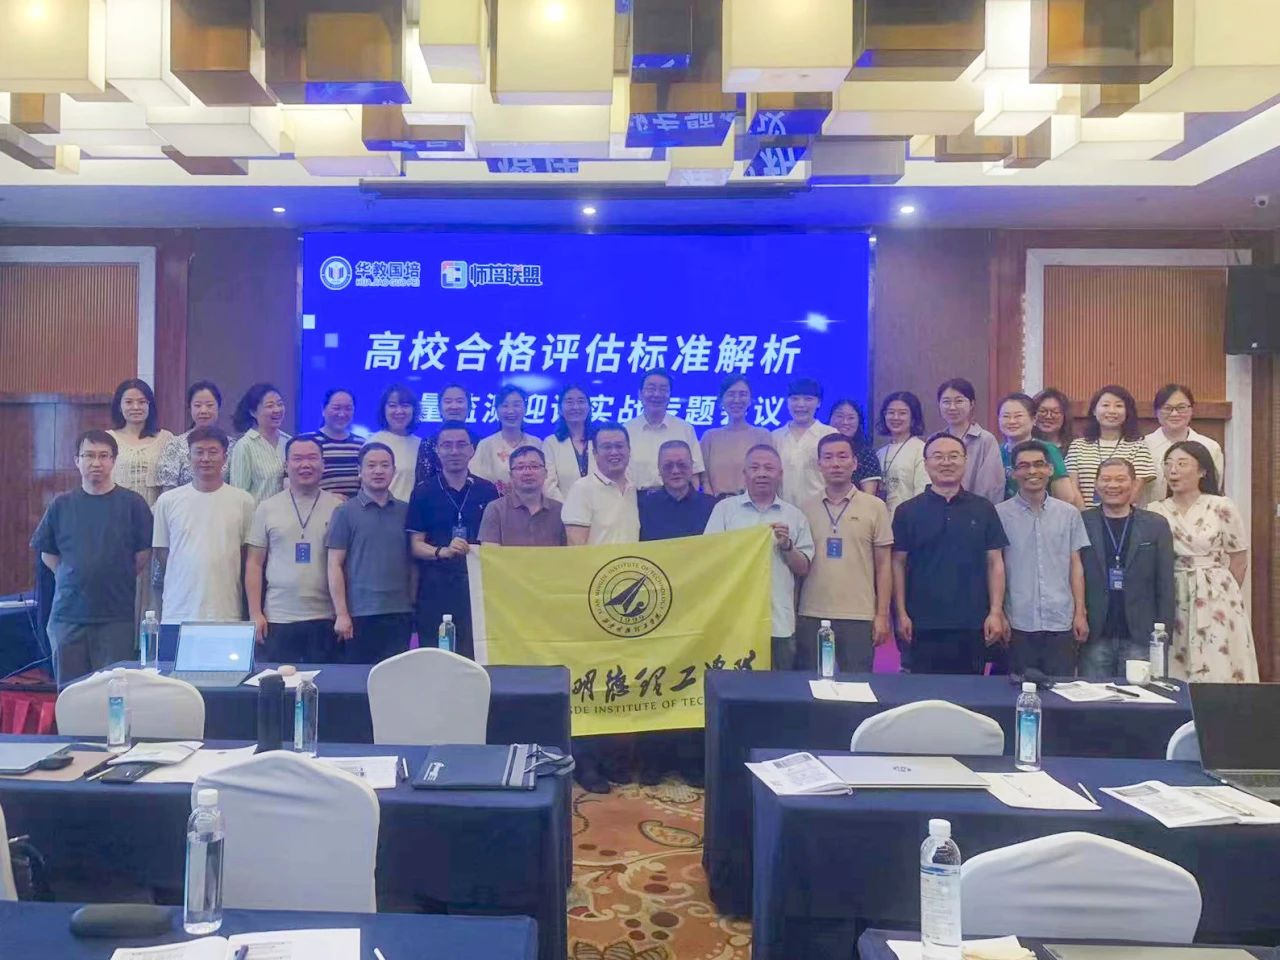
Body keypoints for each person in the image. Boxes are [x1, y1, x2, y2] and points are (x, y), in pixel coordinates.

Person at [31, 429, 152, 685]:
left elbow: (142, 556)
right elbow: (47, 554)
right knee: (70, 695)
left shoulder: (133, 504)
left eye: (103, 456)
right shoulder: (61, 505)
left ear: (114, 460)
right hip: (67, 618)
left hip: (115, 618)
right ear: (77, 460)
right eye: (88, 455)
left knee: (114, 693)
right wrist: (73, 575)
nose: (96, 462)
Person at [892, 433, 1008, 674]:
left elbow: (995, 562)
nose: (946, 462)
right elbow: (898, 564)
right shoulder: (907, 511)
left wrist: (996, 612)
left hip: (972, 623)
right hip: (921, 624)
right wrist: (900, 613)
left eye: (954, 456)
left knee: (970, 691)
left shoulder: (984, 508)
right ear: (926, 464)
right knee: (921, 693)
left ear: (965, 461)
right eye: (938, 456)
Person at [1147, 441, 1257, 683]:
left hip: (1215, 594)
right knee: (1174, 659)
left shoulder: (1221, 506)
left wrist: (1223, 595)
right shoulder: (1155, 510)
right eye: (1168, 464)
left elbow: (1239, 559)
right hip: (1172, 590)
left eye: (1182, 463)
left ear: (1202, 471)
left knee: (1218, 660)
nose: (1173, 470)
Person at [704, 444, 814, 670]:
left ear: (780, 474)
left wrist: (787, 546)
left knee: (779, 687)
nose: (762, 473)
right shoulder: (724, 510)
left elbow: (803, 567)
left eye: (769, 468)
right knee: (735, 687)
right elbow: (709, 558)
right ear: (744, 474)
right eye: (754, 468)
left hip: (778, 621)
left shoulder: (794, 516)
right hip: (733, 621)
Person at [152, 426, 255, 659]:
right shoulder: (168, 501)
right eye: (199, 452)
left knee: (225, 680)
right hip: (178, 612)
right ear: (189, 457)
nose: (205, 458)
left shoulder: (243, 501)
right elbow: (162, 552)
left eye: (213, 452)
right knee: (173, 679)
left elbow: (246, 554)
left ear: (225, 458)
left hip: (226, 613)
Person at [797, 433, 893, 672]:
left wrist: (882, 615)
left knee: (857, 686)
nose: (836, 464)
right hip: (811, 613)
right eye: (828, 457)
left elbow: (884, 565)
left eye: (842, 456)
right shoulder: (804, 507)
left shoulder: (875, 507)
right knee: (811, 685)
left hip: (858, 615)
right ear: (819, 464)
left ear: (855, 463)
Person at [996, 440, 1091, 676]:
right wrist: (998, 613)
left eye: (1039, 464)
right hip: (1018, 621)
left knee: (1061, 690)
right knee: (1019, 690)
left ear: (1050, 469)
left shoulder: (1069, 514)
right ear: (1012, 473)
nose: (1032, 471)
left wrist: (1080, 613)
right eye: (1024, 466)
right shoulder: (999, 514)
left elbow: (1076, 565)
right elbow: (995, 567)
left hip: (1060, 620)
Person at [245, 436, 343, 664]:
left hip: (326, 618)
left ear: (323, 464)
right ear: (286, 465)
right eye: (297, 459)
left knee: (326, 683)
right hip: (278, 617)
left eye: (312, 458)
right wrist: (255, 613)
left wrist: (343, 613)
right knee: (278, 682)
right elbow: (254, 564)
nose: (305, 464)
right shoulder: (267, 508)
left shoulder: (339, 508)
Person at [407, 421, 499, 660]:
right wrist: (441, 552)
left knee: (476, 657)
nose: (454, 451)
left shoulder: (487, 491)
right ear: (437, 450)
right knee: (437, 657)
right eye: (447, 445)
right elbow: (415, 545)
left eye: (461, 445)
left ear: (472, 449)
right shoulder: (423, 491)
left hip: (477, 589)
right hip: (435, 588)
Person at [1078, 459, 1176, 679]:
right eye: (1106, 479)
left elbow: (1166, 583)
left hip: (1141, 633)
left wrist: (1163, 634)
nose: (1113, 485)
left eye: (1120, 479)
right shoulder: (1081, 522)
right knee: (1094, 696)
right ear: (1096, 484)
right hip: (1094, 633)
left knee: (1142, 696)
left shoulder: (1156, 524)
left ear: (1133, 484)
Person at [326, 443, 416, 664]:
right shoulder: (345, 512)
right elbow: (334, 564)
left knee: (397, 676)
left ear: (394, 471)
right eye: (371, 465)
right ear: (360, 471)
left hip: (400, 611)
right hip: (359, 614)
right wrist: (341, 613)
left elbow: (413, 563)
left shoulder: (406, 511)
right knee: (359, 679)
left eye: (385, 465)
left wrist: (412, 603)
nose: (378, 471)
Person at [1065, 385, 1155, 506]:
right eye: (1105, 405)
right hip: (1083, 515)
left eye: (1119, 406)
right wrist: (1086, 515)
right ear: (1094, 411)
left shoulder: (1138, 446)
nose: (1112, 411)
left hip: (1124, 515)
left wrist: (1115, 513)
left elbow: (1135, 490)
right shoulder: (1077, 446)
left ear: (1127, 412)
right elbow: (1072, 487)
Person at [997, 392, 1083, 507]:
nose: (1012, 421)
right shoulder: (995, 451)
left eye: (1018, 416)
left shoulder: (1048, 450)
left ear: (1033, 419)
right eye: (1006, 416)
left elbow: (1066, 497)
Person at [624, 369, 704, 490]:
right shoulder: (626, 430)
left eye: (663, 389)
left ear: (670, 395)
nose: (657, 394)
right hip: (636, 497)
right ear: (640, 394)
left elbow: (695, 473)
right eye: (651, 389)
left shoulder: (685, 429)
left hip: (676, 497)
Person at [562, 422, 640, 545]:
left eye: (619, 446)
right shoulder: (581, 489)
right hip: (596, 559)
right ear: (595, 453)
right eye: (607, 447)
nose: (614, 452)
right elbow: (575, 545)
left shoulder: (634, 488)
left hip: (632, 558)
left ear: (629, 450)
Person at [1145, 384, 1225, 502]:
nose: (1174, 414)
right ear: (1156, 411)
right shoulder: (1143, 446)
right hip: (1151, 511)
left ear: (1192, 410)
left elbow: (1214, 486)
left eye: (1181, 407)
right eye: (1167, 408)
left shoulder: (1210, 447)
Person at [478, 445, 567, 546]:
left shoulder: (560, 510)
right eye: (520, 467)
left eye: (534, 466)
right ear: (511, 475)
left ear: (546, 473)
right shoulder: (496, 509)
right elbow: (490, 552)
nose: (527, 472)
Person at [700, 376, 771, 496]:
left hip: (754, 504)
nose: (737, 400)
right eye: (731, 394)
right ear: (721, 400)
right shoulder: (709, 438)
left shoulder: (763, 436)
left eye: (742, 394)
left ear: (750, 400)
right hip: (716, 504)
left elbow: (769, 475)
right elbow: (704, 480)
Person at [107, 378, 173, 509]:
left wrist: (154, 513)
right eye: (129, 402)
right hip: (116, 513)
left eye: (142, 402)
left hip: (156, 514)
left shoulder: (166, 439)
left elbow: (171, 486)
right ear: (119, 406)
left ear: (150, 405)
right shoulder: (108, 439)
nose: (136, 407)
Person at [157, 380, 236, 489]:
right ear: (190, 408)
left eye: (209, 405)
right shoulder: (175, 445)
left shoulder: (233, 446)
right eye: (197, 405)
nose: (203, 410)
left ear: (218, 407)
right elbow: (168, 490)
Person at [772, 376, 837, 507]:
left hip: (822, 510)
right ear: (787, 402)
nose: (801, 404)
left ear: (819, 403)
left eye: (808, 399)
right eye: (795, 399)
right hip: (783, 511)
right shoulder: (775, 437)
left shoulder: (830, 435)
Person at [937, 377, 1004, 504]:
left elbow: (991, 487)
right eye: (946, 402)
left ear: (972, 404)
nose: (952, 407)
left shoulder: (985, 440)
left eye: (959, 401)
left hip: (975, 510)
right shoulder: (935, 441)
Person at [471, 385, 544, 494]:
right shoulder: (486, 445)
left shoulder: (536, 443)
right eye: (505, 406)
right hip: (494, 503)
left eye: (516, 405)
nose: (511, 411)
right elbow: (476, 479)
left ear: (525, 408)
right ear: (496, 410)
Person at [639, 440, 717, 541]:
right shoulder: (643, 509)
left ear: (692, 467)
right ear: (658, 468)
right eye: (668, 466)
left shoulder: (712, 507)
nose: (675, 471)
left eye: (682, 465)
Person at [229, 382, 290, 505]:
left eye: (280, 404)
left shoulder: (289, 442)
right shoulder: (245, 446)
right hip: (257, 515)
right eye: (270, 406)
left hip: (288, 515)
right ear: (253, 412)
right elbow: (239, 494)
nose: (277, 410)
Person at [301, 388, 363, 500]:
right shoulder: (306, 442)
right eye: (336, 408)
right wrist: (327, 498)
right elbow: (292, 482)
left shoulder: (362, 444)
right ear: (323, 409)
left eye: (348, 409)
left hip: (355, 509)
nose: (342, 414)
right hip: (318, 507)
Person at [875, 391, 928, 520]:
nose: (896, 417)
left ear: (913, 418)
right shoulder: (880, 453)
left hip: (909, 521)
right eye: (891, 412)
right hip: (881, 522)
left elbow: (922, 492)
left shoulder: (921, 449)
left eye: (902, 413)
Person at [368, 382, 422, 503]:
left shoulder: (421, 445)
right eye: (392, 406)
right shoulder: (374, 443)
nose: (399, 411)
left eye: (405, 405)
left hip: (417, 512)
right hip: (383, 511)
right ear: (384, 410)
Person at [543, 384, 597, 499]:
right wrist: (569, 507)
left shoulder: (599, 439)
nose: (576, 407)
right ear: (560, 409)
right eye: (569, 402)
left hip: (600, 506)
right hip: (563, 507)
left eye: (581, 401)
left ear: (589, 407)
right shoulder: (551, 443)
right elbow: (549, 485)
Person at [415, 383, 471, 486]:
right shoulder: (428, 443)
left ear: (469, 407)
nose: (454, 406)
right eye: (448, 402)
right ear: (440, 408)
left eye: (459, 401)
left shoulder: (481, 443)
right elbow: (423, 483)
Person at [829, 398, 883, 497]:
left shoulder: (866, 453)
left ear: (859, 422)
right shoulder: (819, 447)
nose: (845, 422)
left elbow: (869, 496)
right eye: (840, 416)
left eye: (851, 418)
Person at [1033, 388, 1074, 459]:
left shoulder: (1074, 447)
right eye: (1042, 411)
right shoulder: (1025, 444)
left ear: (1065, 416)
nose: (1048, 416)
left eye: (1055, 412)